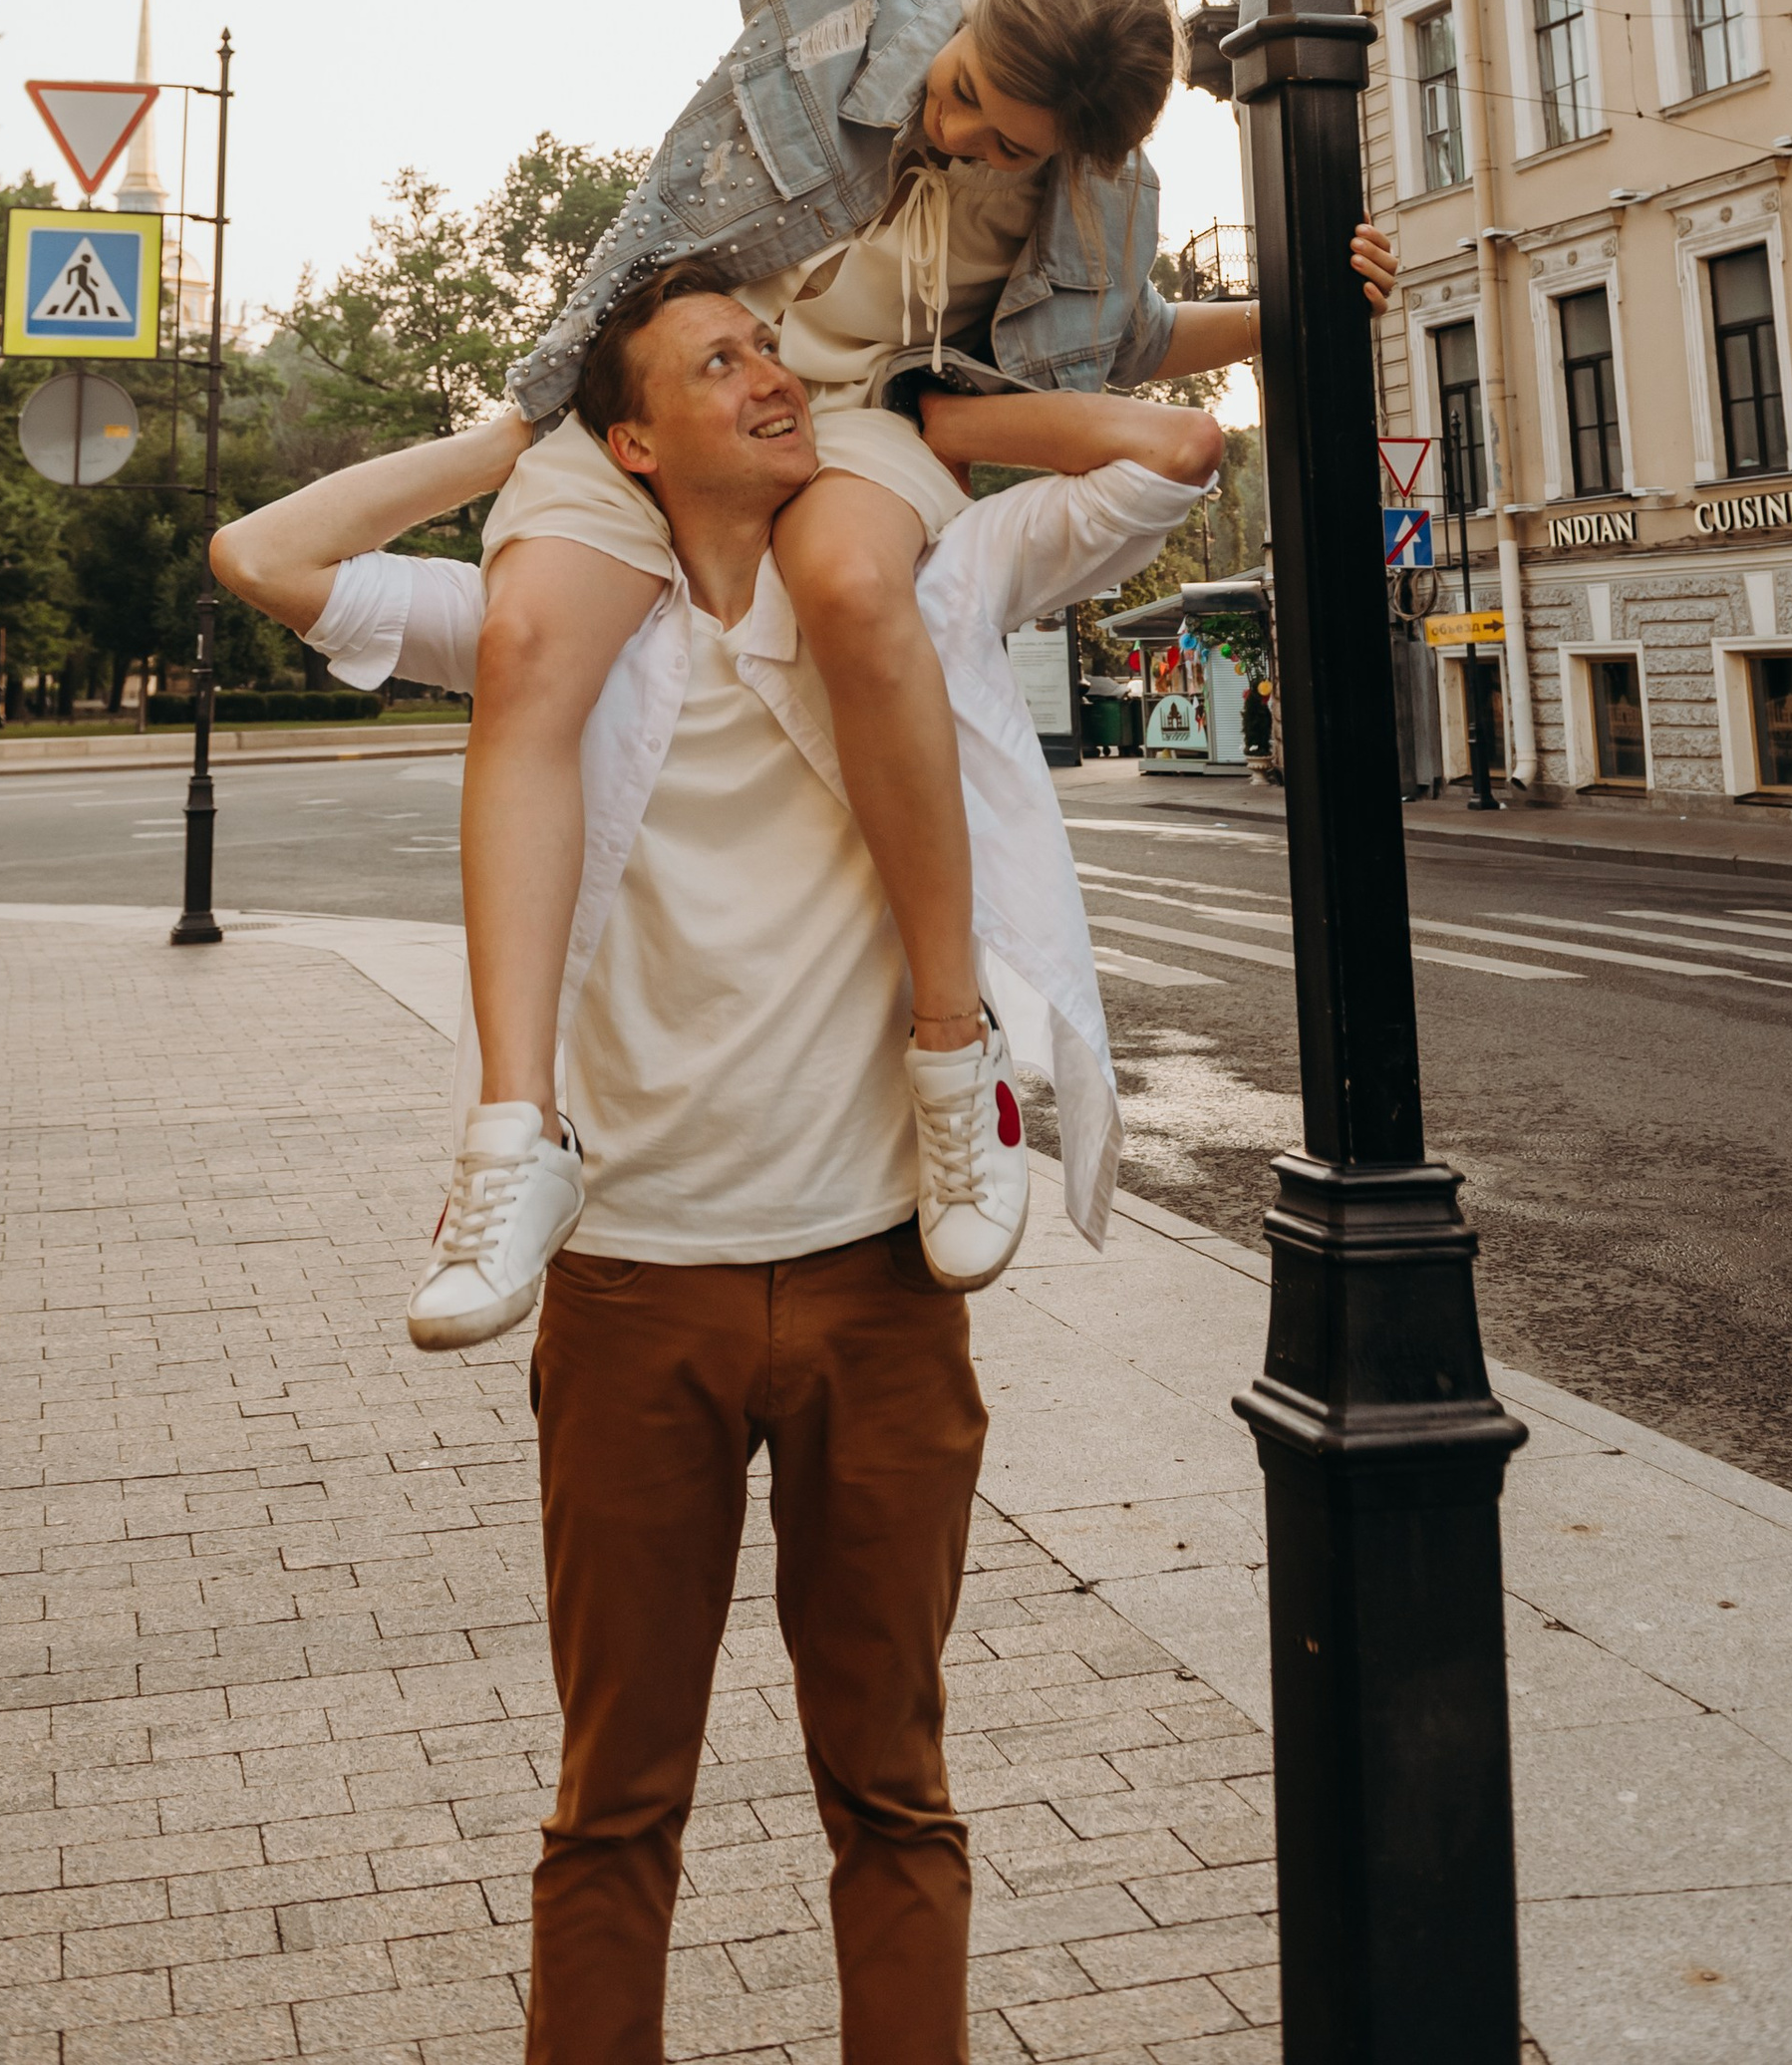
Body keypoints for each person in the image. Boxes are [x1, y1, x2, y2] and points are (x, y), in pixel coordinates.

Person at [210, 254, 1225, 2063]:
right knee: (616, 1807)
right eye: (718, 365)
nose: (770, 381)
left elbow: (1173, 444)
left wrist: (919, 410)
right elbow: (264, 554)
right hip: (627, 1297)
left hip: (887, 1281)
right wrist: (505, 434)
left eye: (774, 353)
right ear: (631, 442)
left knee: (894, 1792)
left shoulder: (929, 583)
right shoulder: (565, 626)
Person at [433, 0, 1393, 1342]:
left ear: (1080, 151)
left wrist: (1295, 310)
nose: (949, 126)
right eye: (960, 86)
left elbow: (1112, 353)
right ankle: (515, 1130)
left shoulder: (1100, 215)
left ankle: (955, 1061)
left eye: (994, 135)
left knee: (862, 590)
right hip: (672, 354)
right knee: (535, 640)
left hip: (852, 421)